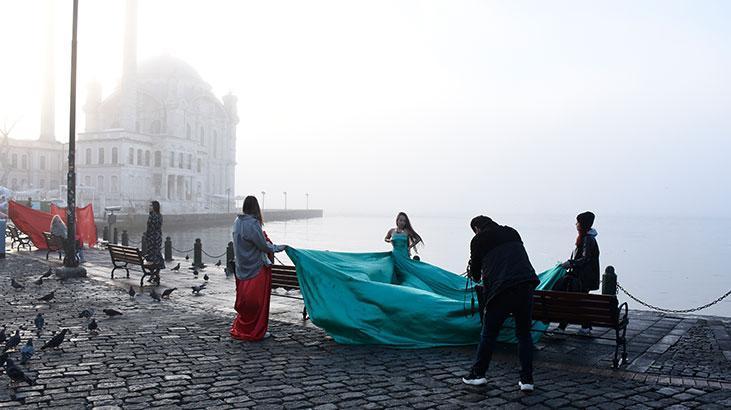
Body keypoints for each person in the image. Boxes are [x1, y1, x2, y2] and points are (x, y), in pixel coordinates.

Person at [462, 216, 539, 392]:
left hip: (501, 290)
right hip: (526, 285)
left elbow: (475, 274)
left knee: (488, 334)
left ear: (476, 228)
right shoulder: (512, 232)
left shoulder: (478, 239)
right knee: (524, 334)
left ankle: (478, 374)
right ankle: (527, 380)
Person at [231, 195, 287, 341]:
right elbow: (263, 245)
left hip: (241, 267)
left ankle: (243, 327)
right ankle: (256, 330)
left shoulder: (237, 222)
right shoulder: (253, 224)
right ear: (256, 207)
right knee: (258, 303)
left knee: (245, 302)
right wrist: (279, 248)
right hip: (256, 268)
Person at [555, 211, 600, 335]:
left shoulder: (587, 239)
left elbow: (586, 259)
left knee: (571, 302)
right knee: (578, 302)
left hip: (582, 278)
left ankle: (561, 328)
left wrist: (570, 263)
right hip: (586, 277)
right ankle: (585, 327)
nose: (576, 224)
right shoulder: (587, 238)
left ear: (583, 224)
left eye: (578, 222)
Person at [143, 201, 165, 270]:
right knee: (157, 254)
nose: (149, 207)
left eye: (151, 206)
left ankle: (153, 273)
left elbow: (150, 228)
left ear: (154, 207)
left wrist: (147, 235)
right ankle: (157, 273)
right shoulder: (160, 215)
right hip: (158, 237)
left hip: (152, 238)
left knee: (152, 256)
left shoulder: (152, 216)